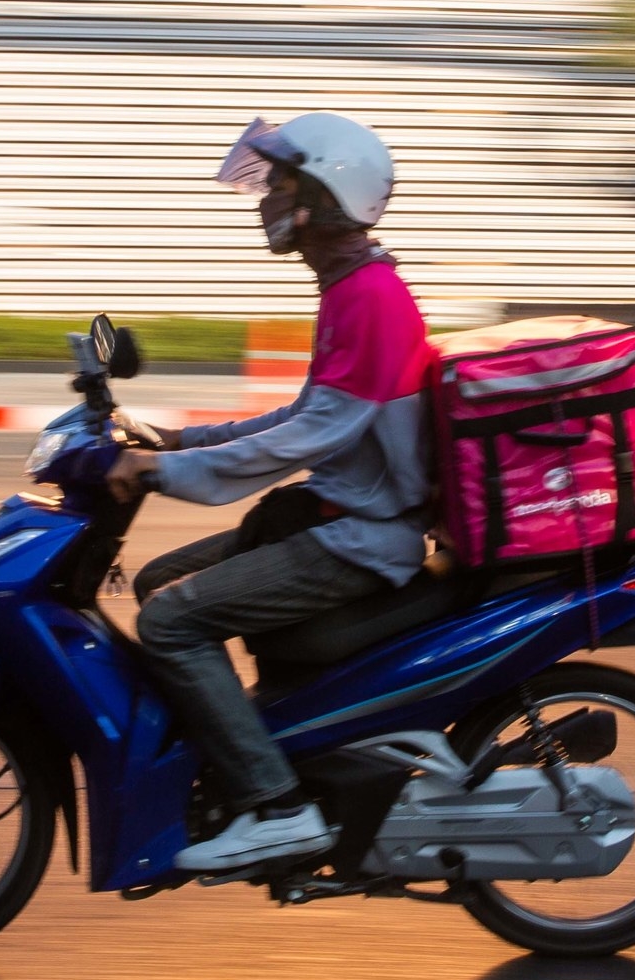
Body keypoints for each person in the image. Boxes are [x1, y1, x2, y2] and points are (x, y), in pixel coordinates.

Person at [107, 113, 435, 872]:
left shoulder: (370, 298)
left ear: (326, 194)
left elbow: (310, 437)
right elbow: (305, 415)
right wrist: (180, 441)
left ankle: (278, 806)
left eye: (284, 182)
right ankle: (246, 756)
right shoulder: (352, 287)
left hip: (361, 535)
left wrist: (168, 474)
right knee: (161, 579)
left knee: (170, 622)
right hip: (339, 512)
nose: (267, 198)